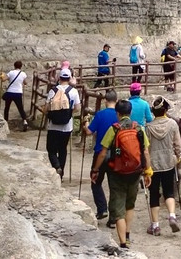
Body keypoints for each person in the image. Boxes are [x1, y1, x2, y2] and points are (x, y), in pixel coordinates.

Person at [91, 98, 152, 250]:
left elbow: (103, 152)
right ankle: (128, 234)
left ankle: (123, 242)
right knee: (130, 205)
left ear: (118, 113)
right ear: (130, 113)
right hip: (135, 172)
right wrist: (147, 172)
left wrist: (96, 170)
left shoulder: (114, 129)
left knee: (118, 209)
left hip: (117, 173)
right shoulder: (138, 129)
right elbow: (145, 151)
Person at [145, 95, 181, 235]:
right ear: (165, 110)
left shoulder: (148, 127)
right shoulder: (172, 124)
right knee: (169, 191)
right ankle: (172, 216)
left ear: (153, 112)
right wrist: (177, 157)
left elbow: (146, 148)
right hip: (168, 162)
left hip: (153, 165)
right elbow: (178, 144)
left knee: (154, 194)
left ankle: (155, 226)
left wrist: (145, 167)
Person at [84, 88, 118, 222]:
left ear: (105, 101)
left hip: (100, 153)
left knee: (96, 182)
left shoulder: (100, 114)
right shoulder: (119, 115)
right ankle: (114, 218)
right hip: (116, 155)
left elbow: (89, 132)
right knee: (114, 186)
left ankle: (102, 208)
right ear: (116, 100)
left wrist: (85, 123)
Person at [45, 67, 81, 179]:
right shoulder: (74, 91)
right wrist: (68, 113)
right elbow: (78, 108)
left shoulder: (53, 91)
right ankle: (61, 173)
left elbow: (46, 108)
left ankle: (56, 167)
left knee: (51, 149)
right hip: (67, 126)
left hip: (53, 126)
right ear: (69, 78)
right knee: (62, 149)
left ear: (59, 78)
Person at [1, 60, 29, 129]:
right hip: (18, 93)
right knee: (20, 108)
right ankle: (25, 121)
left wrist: (1, 76)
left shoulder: (11, 72)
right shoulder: (23, 74)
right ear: (21, 66)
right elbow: (25, 83)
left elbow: (3, 79)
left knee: (7, 107)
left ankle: (6, 121)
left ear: (14, 66)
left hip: (10, 92)